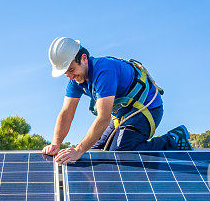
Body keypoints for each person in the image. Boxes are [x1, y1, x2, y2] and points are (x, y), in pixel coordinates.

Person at [42, 37, 192, 164]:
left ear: (83, 58)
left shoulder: (104, 71)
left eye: (71, 69)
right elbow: (66, 112)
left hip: (147, 108)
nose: (69, 75)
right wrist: (56, 143)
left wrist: (78, 150)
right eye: (65, 73)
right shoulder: (75, 81)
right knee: (95, 153)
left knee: (119, 154)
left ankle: (173, 139)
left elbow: (103, 118)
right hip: (122, 115)